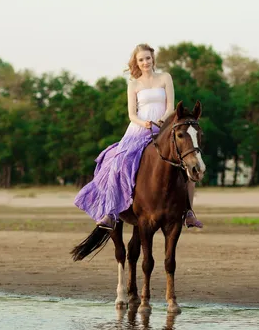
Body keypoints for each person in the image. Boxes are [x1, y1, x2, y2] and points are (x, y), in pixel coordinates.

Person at [74, 43, 202, 230]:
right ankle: (111, 212)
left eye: (148, 58)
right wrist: (144, 123)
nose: (145, 62)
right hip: (137, 130)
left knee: (189, 166)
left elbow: (170, 108)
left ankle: (188, 212)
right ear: (136, 62)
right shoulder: (133, 84)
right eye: (141, 59)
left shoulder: (165, 77)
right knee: (118, 163)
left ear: (153, 59)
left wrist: (160, 122)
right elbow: (132, 114)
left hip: (163, 128)